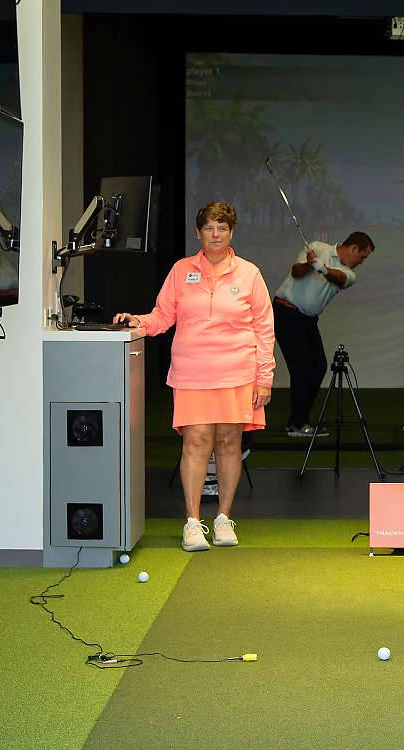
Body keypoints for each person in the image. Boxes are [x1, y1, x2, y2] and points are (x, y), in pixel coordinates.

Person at [114, 201, 273, 552]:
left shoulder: (250, 273)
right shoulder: (181, 270)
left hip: (238, 371)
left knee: (229, 444)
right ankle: (191, 522)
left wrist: (265, 377)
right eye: (209, 228)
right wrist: (137, 320)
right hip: (192, 372)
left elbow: (265, 329)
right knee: (197, 442)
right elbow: (162, 316)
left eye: (222, 228)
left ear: (232, 232)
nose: (215, 235)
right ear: (198, 232)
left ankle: (223, 519)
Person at [273, 231, 375, 437]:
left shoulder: (349, 274)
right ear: (353, 248)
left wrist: (319, 267)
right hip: (286, 313)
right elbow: (296, 272)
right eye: (362, 257)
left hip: (307, 320)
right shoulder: (318, 247)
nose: (361, 262)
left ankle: (298, 421)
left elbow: (338, 278)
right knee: (302, 367)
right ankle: (297, 425)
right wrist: (309, 264)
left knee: (318, 366)